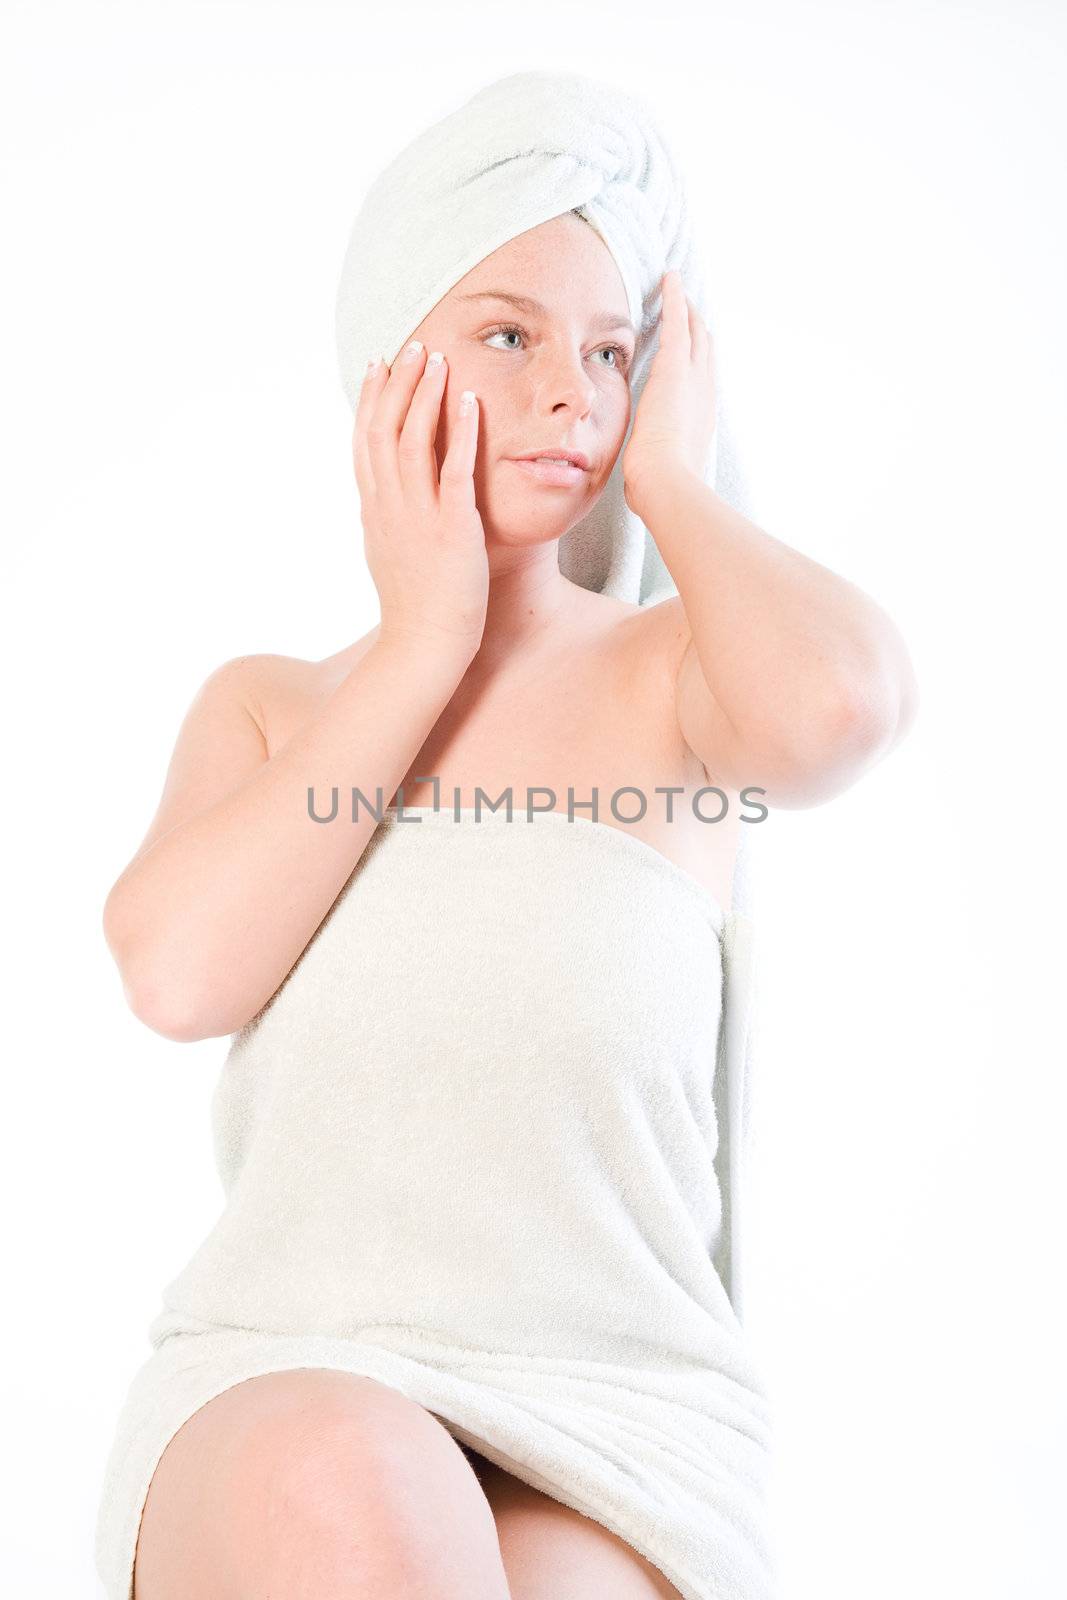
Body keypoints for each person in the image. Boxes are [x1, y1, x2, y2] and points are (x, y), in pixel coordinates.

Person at [93, 81, 919, 1600]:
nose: (574, 394)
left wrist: (671, 472)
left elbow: (845, 709)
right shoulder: (273, 714)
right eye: (508, 335)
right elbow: (174, 975)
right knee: (351, 1481)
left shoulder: (678, 682)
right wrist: (422, 644)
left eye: (612, 353)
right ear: (388, 365)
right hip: (290, 1376)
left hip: (617, 1425)